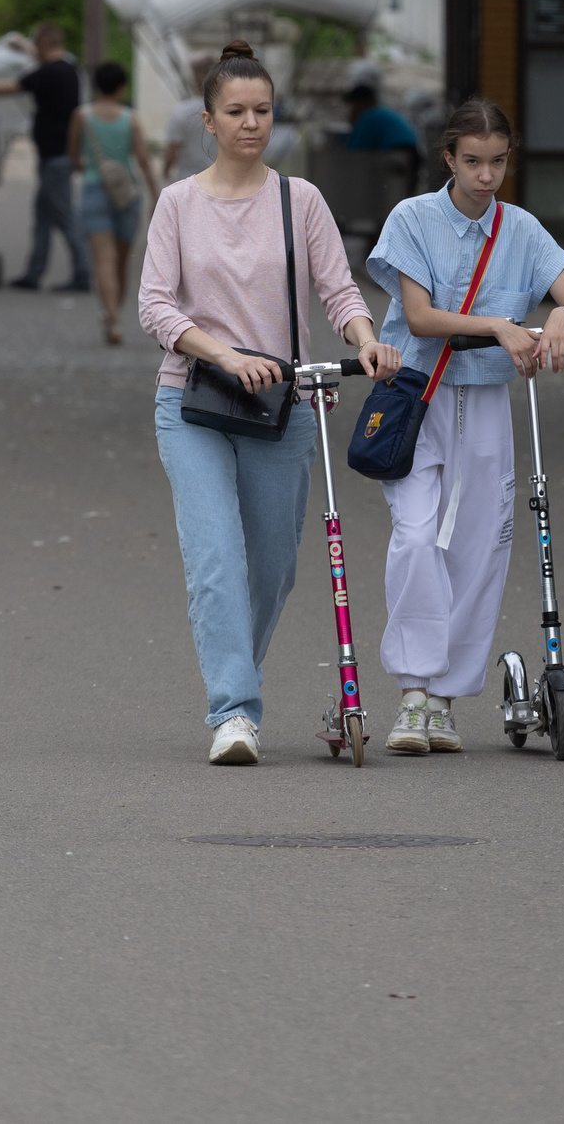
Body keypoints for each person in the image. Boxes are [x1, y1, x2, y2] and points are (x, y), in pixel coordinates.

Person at [137, 41, 399, 765]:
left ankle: (235, 677)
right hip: (192, 401)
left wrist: (366, 339)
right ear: (208, 121)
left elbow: (339, 290)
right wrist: (226, 354)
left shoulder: (300, 199)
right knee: (216, 557)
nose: (251, 123)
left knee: (274, 565)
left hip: (282, 405)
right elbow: (154, 305)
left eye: (262, 111)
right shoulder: (178, 204)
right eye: (235, 112)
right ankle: (234, 711)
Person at [365, 99, 564, 754]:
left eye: (497, 161)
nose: (486, 175)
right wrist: (499, 324)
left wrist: (559, 317)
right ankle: (413, 691)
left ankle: (442, 702)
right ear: (448, 158)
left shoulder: (520, 228)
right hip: (417, 395)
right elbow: (419, 317)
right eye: (472, 161)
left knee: (477, 548)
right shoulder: (413, 217)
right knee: (416, 536)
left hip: (487, 401)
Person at [0, 21, 90, 292]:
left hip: (55, 157)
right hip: (57, 155)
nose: (33, 50)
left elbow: (12, 86)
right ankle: (34, 273)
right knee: (43, 217)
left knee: (64, 215)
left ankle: (83, 273)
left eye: (36, 44)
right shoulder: (69, 70)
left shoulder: (48, 73)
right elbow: (34, 58)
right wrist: (23, 45)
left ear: (44, 44)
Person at [67, 60, 157, 346]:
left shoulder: (82, 115)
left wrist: (85, 167)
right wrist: (156, 194)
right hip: (126, 193)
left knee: (103, 261)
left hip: (94, 189)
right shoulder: (131, 118)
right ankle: (114, 314)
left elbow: (73, 155)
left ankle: (113, 320)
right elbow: (143, 160)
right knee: (120, 261)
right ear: (121, 87)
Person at [160, 53, 220, 184]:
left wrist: (165, 171)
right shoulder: (227, 111)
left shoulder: (181, 111)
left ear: (194, 79)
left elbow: (172, 150)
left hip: (188, 181)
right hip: (220, 180)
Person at [343, 82, 420, 151]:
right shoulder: (382, 112)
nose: (352, 109)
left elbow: (356, 148)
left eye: (353, 105)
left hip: (398, 152)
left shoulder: (370, 117)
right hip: (409, 152)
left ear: (360, 103)